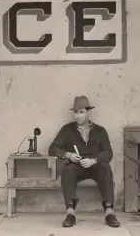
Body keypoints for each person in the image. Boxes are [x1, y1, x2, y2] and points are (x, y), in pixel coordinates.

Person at [48, 96, 120, 228]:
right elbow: (53, 148)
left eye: (81, 112)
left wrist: (94, 160)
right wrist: (67, 154)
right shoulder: (67, 130)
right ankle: (70, 213)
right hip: (77, 166)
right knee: (68, 170)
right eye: (75, 112)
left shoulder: (100, 131)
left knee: (105, 168)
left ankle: (109, 212)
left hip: (95, 165)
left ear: (88, 112)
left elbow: (108, 153)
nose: (78, 116)